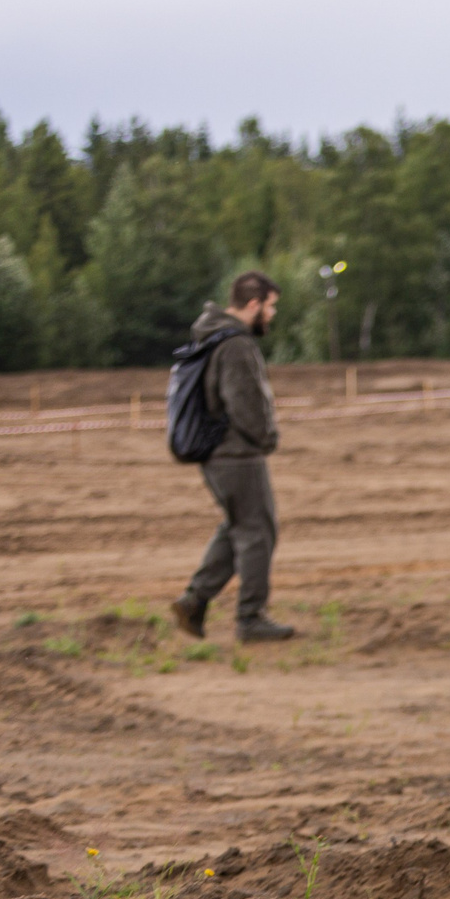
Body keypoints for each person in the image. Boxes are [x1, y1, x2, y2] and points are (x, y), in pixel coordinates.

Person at [168, 272, 295, 643]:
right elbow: (245, 404)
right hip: (237, 454)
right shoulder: (236, 345)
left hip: (217, 455)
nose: (272, 314)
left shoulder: (211, 337)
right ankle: (251, 618)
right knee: (259, 532)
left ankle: (194, 601)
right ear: (253, 304)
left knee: (238, 526)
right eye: (270, 306)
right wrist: (267, 438)